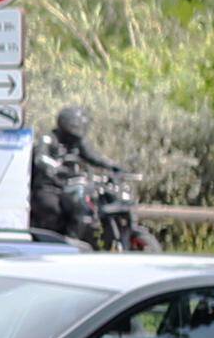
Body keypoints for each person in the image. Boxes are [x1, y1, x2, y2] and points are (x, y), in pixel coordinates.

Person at [32, 102, 147, 252]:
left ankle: (83, 237)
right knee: (51, 208)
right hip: (49, 186)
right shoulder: (49, 138)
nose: (78, 129)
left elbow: (93, 156)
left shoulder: (77, 142)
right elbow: (40, 158)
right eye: (75, 124)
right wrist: (56, 168)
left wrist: (113, 166)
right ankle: (54, 242)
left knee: (89, 202)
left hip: (68, 185)